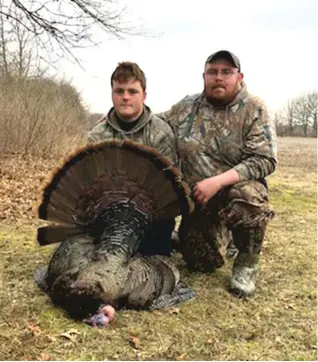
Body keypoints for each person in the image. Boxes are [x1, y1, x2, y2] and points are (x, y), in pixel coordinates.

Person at [158, 50, 277, 297]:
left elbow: (264, 160)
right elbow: (156, 124)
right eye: (212, 72)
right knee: (201, 263)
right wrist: (122, 116)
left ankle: (246, 263)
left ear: (239, 76)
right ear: (204, 76)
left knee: (248, 197)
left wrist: (217, 182)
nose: (219, 77)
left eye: (226, 72)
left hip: (235, 194)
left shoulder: (253, 108)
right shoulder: (188, 106)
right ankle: (213, 238)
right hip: (199, 202)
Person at [88, 62, 178, 256]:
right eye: (119, 91)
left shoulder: (160, 133)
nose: (125, 97)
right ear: (112, 94)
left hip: (149, 214)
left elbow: (166, 188)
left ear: (144, 95)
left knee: (152, 261)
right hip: (109, 211)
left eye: (132, 91)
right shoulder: (97, 135)